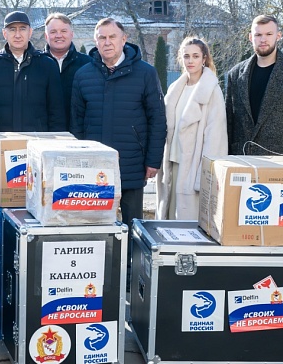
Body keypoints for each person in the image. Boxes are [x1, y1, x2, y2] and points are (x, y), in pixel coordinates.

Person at [71, 17, 166, 231]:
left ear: (124, 39)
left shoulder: (145, 73)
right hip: (93, 167)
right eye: (102, 37)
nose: (107, 42)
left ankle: (133, 266)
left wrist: (153, 160)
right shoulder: (83, 75)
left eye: (112, 36)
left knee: (134, 227)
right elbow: (76, 123)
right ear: (96, 42)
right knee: (97, 227)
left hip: (132, 163)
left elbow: (157, 119)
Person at [156, 37, 227, 220]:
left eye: (195, 56)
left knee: (187, 222)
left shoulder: (212, 90)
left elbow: (215, 136)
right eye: (186, 56)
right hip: (171, 162)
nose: (190, 61)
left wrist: (204, 176)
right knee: (168, 219)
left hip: (193, 166)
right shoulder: (175, 89)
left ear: (204, 58)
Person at [225, 14, 283, 156]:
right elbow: (229, 123)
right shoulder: (235, 74)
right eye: (258, 34)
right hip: (242, 161)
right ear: (250, 37)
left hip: (281, 163)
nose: (263, 39)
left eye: (268, 34)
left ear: (278, 36)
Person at [0, 11, 66, 131]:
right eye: (12, 29)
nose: (17, 35)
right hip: (1, 142)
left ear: (30, 32)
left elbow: (57, 111)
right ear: (4, 33)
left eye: (22, 29)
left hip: (38, 141)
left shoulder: (47, 65)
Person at [44, 13, 92, 122]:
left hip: (78, 133)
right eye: (53, 32)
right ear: (46, 36)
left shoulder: (87, 64)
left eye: (63, 31)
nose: (58, 35)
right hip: (44, 133)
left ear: (71, 34)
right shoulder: (35, 64)